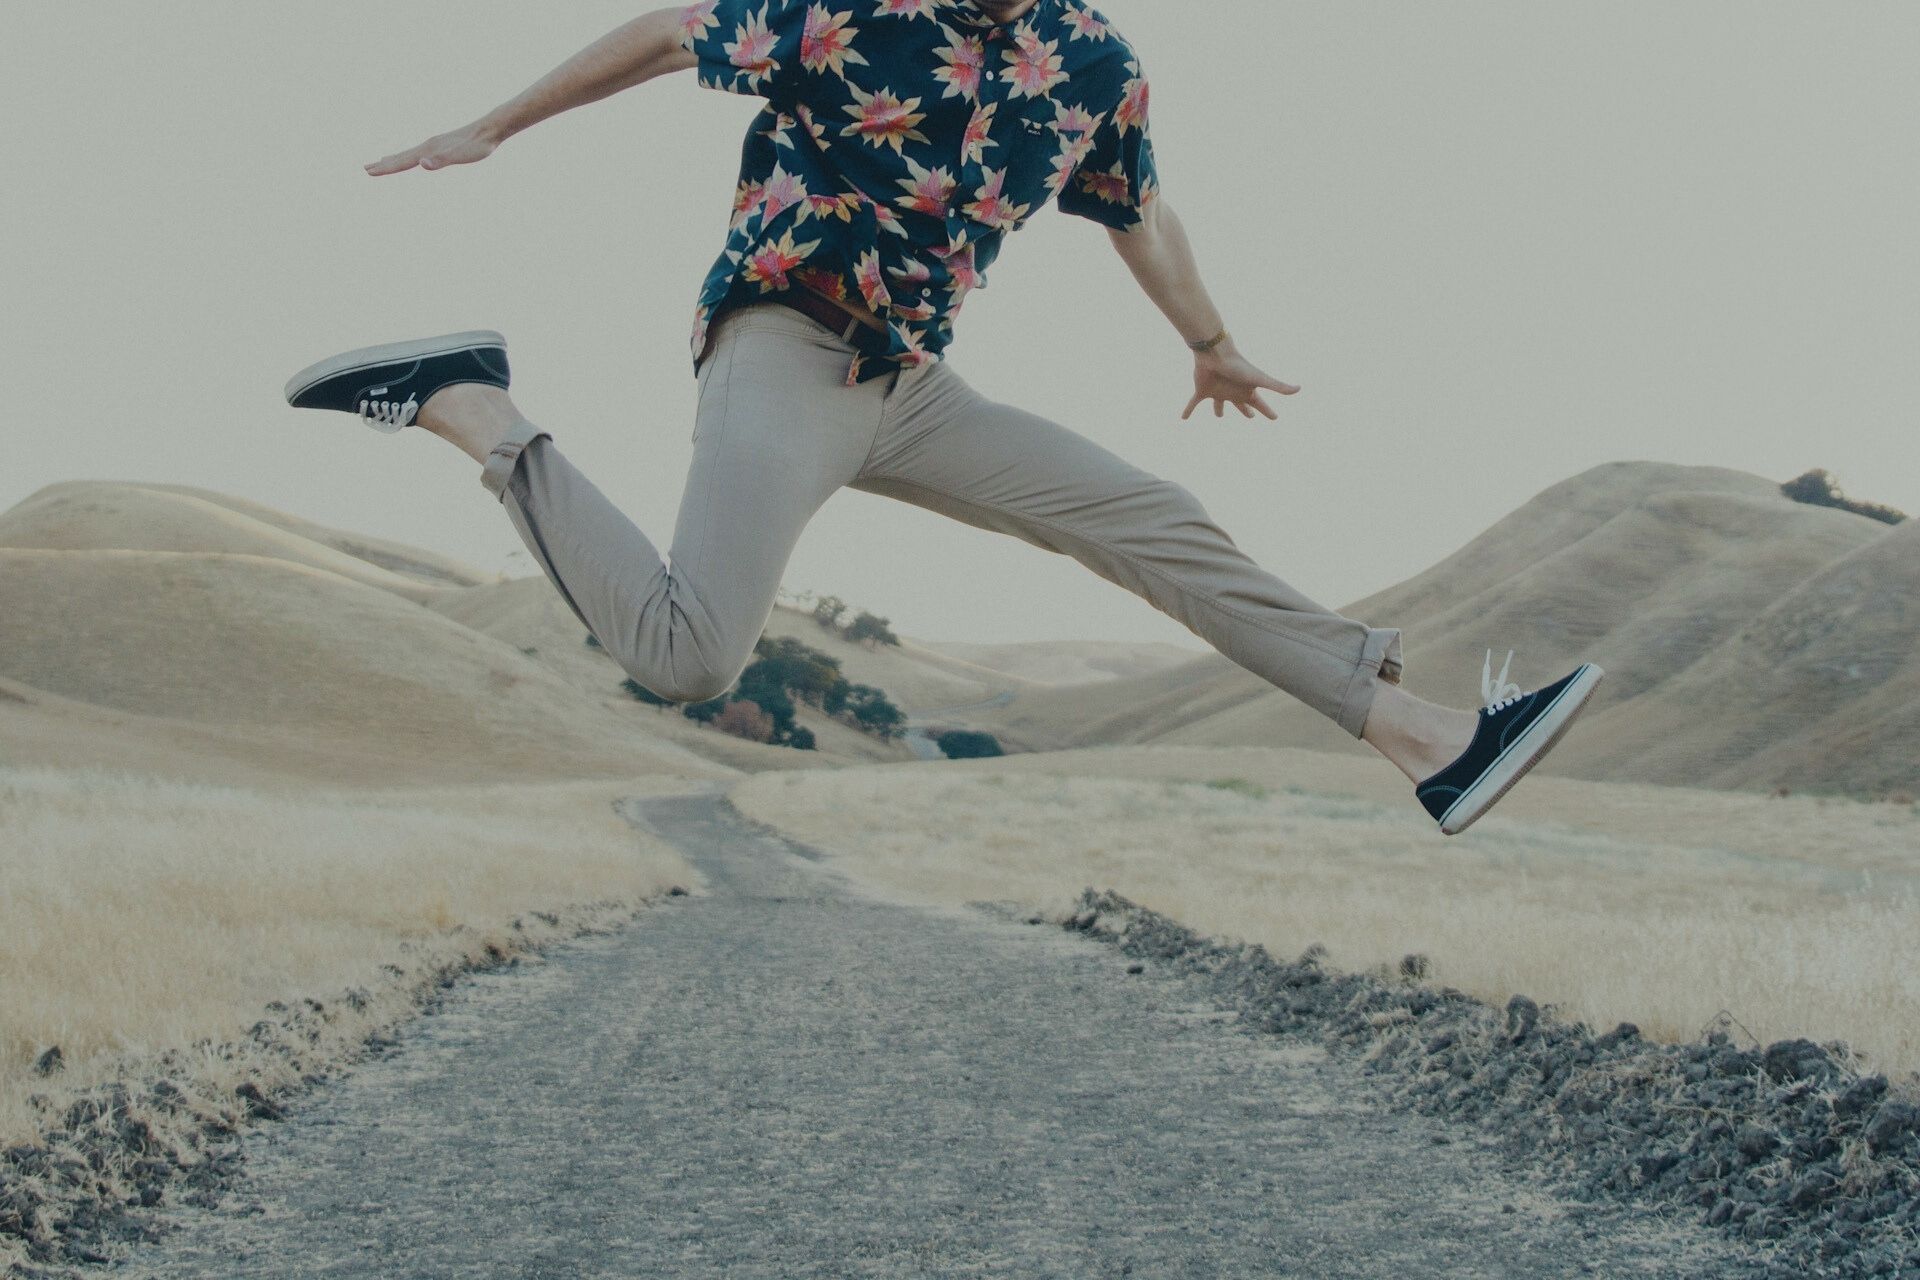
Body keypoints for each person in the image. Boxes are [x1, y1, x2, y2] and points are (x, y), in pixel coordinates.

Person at [283, 0, 1602, 834]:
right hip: (782, 350)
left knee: (1147, 516)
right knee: (688, 657)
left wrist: (1210, 343)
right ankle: (470, 403)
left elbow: (1140, 212)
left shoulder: (1092, 62)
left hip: (912, 389)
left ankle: (1429, 741)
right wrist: (494, 125)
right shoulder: (854, 14)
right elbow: (673, 32)